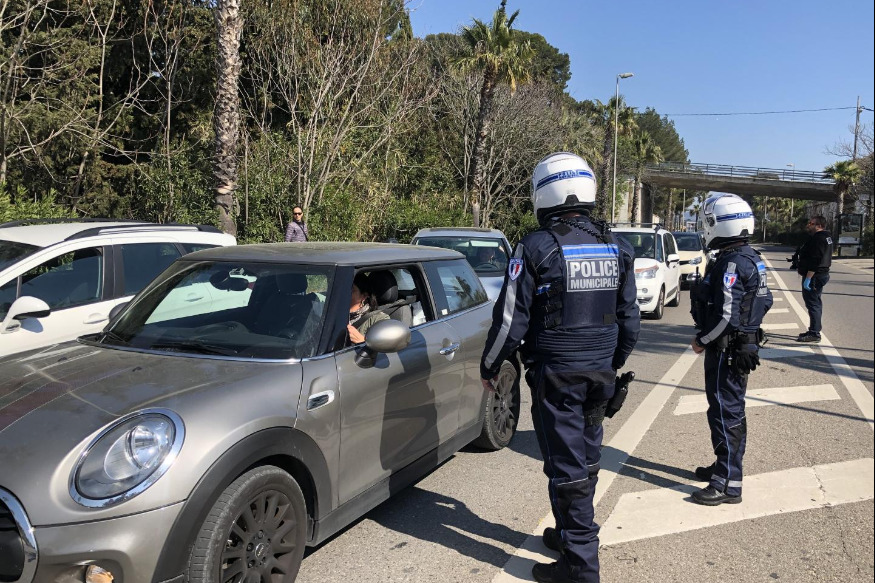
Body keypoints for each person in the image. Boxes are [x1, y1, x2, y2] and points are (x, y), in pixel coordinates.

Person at [480, 152, 640, 583]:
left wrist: (490, 366)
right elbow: (630, 320)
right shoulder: (617, 246)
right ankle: (571, 535)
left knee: (567, 468)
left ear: (543, 193)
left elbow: (510, 320)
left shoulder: (535, 247)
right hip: (600, 375)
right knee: (585, 459)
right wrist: (612, 362)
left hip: (558, 377)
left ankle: (581, 568)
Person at [689, 193, 773, 506]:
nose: (706, 227)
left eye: (709, 222)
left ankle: (727, 483)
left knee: (726, 413)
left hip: (727, 350)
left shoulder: (732, 263)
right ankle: (723, 465)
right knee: (726, 411)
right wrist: (749, 330)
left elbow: (726, 316)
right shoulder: (752, 257)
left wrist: (702, 341)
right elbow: (765, 300)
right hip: (740, 347)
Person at [795, 215, 832, 343]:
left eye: (811, 223)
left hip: (815, 276)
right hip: (820, 274)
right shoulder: (826, 237)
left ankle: (815, 333)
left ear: (819, 225)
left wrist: (808, 278)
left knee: (813, 304)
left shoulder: (819, 238)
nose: (808, 225)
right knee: (815, 303)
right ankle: (814, 329)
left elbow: (816, 260)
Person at [348, 272, 388, 344]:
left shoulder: (379, 319)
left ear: (364, 295)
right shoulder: (333, 313)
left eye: (351, 289)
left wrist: (362, 341)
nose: (344, 293)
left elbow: (386, 347)